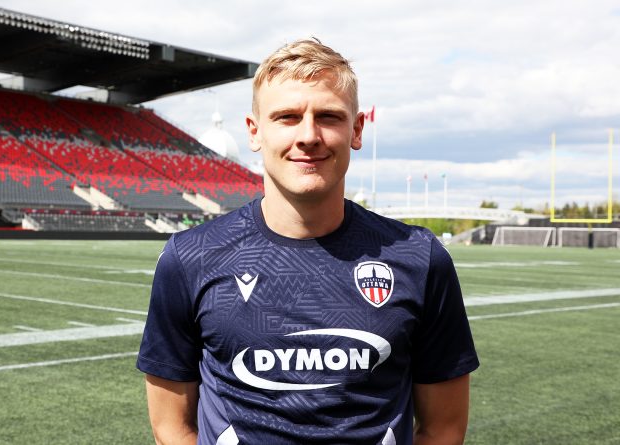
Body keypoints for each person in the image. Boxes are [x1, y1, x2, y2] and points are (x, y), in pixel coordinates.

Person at [137, 38, 479, 445]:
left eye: (329, 117)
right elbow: (171, 426)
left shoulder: (420, 257)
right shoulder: (191, 257)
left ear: (356, 130)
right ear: (254, 131)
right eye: (287, 117)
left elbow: (444, 427)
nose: (309, 135)